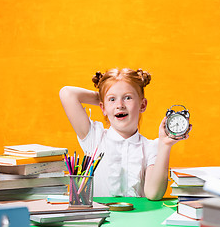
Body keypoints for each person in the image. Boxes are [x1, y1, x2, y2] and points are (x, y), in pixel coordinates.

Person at [59, 68, 191, 200]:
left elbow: (153, 194)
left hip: (137, 218)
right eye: (112, 99)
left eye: (127, 98)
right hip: (102, 218)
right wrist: (105, 95)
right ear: (103, 108)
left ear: (142, 105)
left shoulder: (151, 147)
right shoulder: (94, 137)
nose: (119, 105)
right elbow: (67, 94)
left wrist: (165, 145)